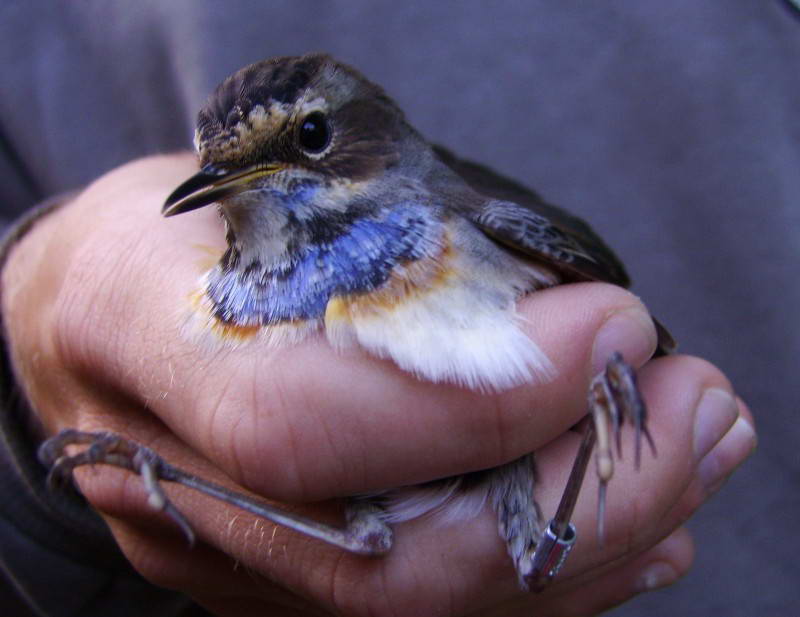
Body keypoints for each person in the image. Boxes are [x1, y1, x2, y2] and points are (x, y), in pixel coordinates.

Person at [3, 2, 793, 616]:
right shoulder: (223, 275)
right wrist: (37, 367)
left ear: (365, 136)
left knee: (528, 545)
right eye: (224, 172)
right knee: (368, 539)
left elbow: (638, 330)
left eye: (308, 137)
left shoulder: (469, 225)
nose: (247, 182)